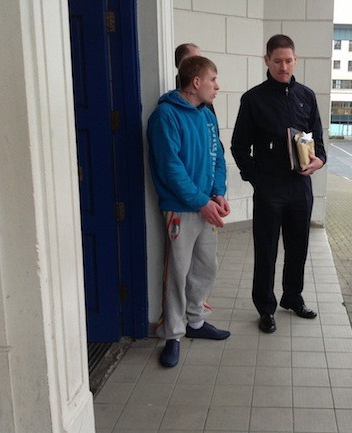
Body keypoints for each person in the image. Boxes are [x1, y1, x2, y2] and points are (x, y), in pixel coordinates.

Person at [231, 34, 327, 333]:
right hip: (270, 189)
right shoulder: (253, 99)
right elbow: (238, 147)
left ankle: (292, 297)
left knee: (298, 247)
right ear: (267, 61)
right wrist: (257, 180)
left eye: (288, 61)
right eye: (277, 61)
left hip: (301, 189)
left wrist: (318, 162)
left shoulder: (307, 96)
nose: (283, 67)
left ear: (295, 60)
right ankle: (266, 307)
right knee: (267, 251)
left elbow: (319, 144)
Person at [148, 56, 231, 368]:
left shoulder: (206, 115)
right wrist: (201, 201)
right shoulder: (165, 116)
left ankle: (196, 321)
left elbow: (217, 158)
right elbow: (171, 170)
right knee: (177, 274)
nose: (217, 86)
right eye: (213, 79)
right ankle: (172, 334)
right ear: (196, 82)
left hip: (204, 207)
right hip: (181, 210)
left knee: (206, 266)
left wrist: (218, 193)